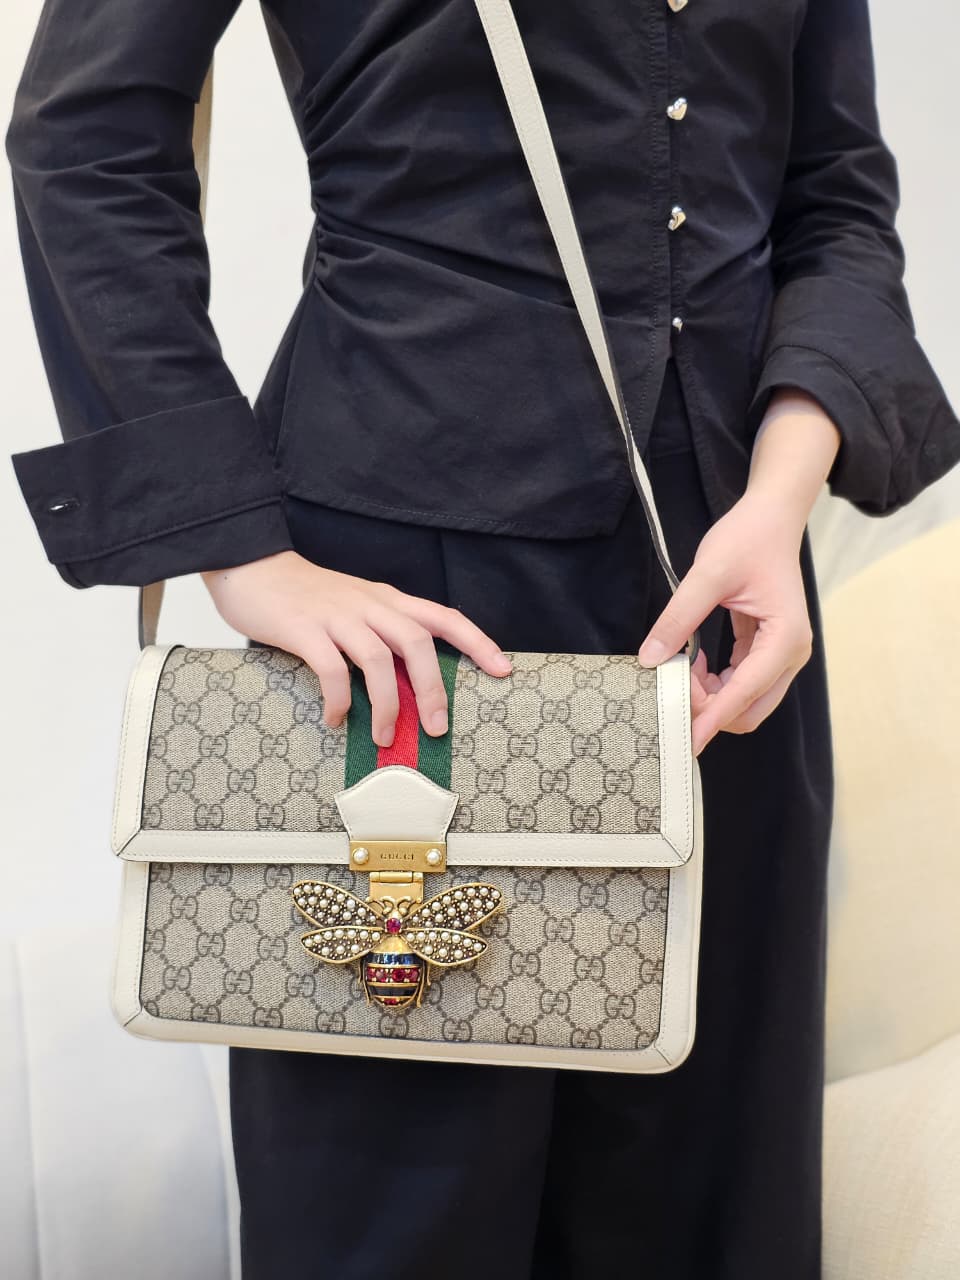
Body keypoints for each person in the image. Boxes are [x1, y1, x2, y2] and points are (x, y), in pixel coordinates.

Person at [6, 2, 959, 1277]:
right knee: (400, 1217)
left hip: (726, 614)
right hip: (402, 624)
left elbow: (833, 196)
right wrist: (238, 549)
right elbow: (83, 132)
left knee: (704, 1201)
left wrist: (782, 497)